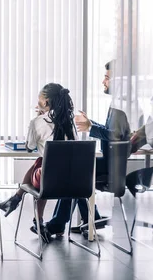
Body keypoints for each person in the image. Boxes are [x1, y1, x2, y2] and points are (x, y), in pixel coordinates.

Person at [57, 60, 130, 236]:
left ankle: (61, 223)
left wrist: (91, 127)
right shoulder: (117, 104)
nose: (103, 82)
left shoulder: (120, 106)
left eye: (107, 78)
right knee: (74, 170)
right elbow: (111, 132)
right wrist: (91, 124)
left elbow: (115, 135)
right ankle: (89, 219)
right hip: (110, 162)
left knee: (74, 173)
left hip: (112, 168)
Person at [0, 83, 77, 243]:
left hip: (48, 182)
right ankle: (18, 202)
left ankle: (32, 215)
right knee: (45, 165)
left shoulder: (38, 121)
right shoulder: (71, 123)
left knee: (42, 163)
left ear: (46, 103)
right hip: (73, 183)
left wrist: (39, 118)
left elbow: (29, 147)